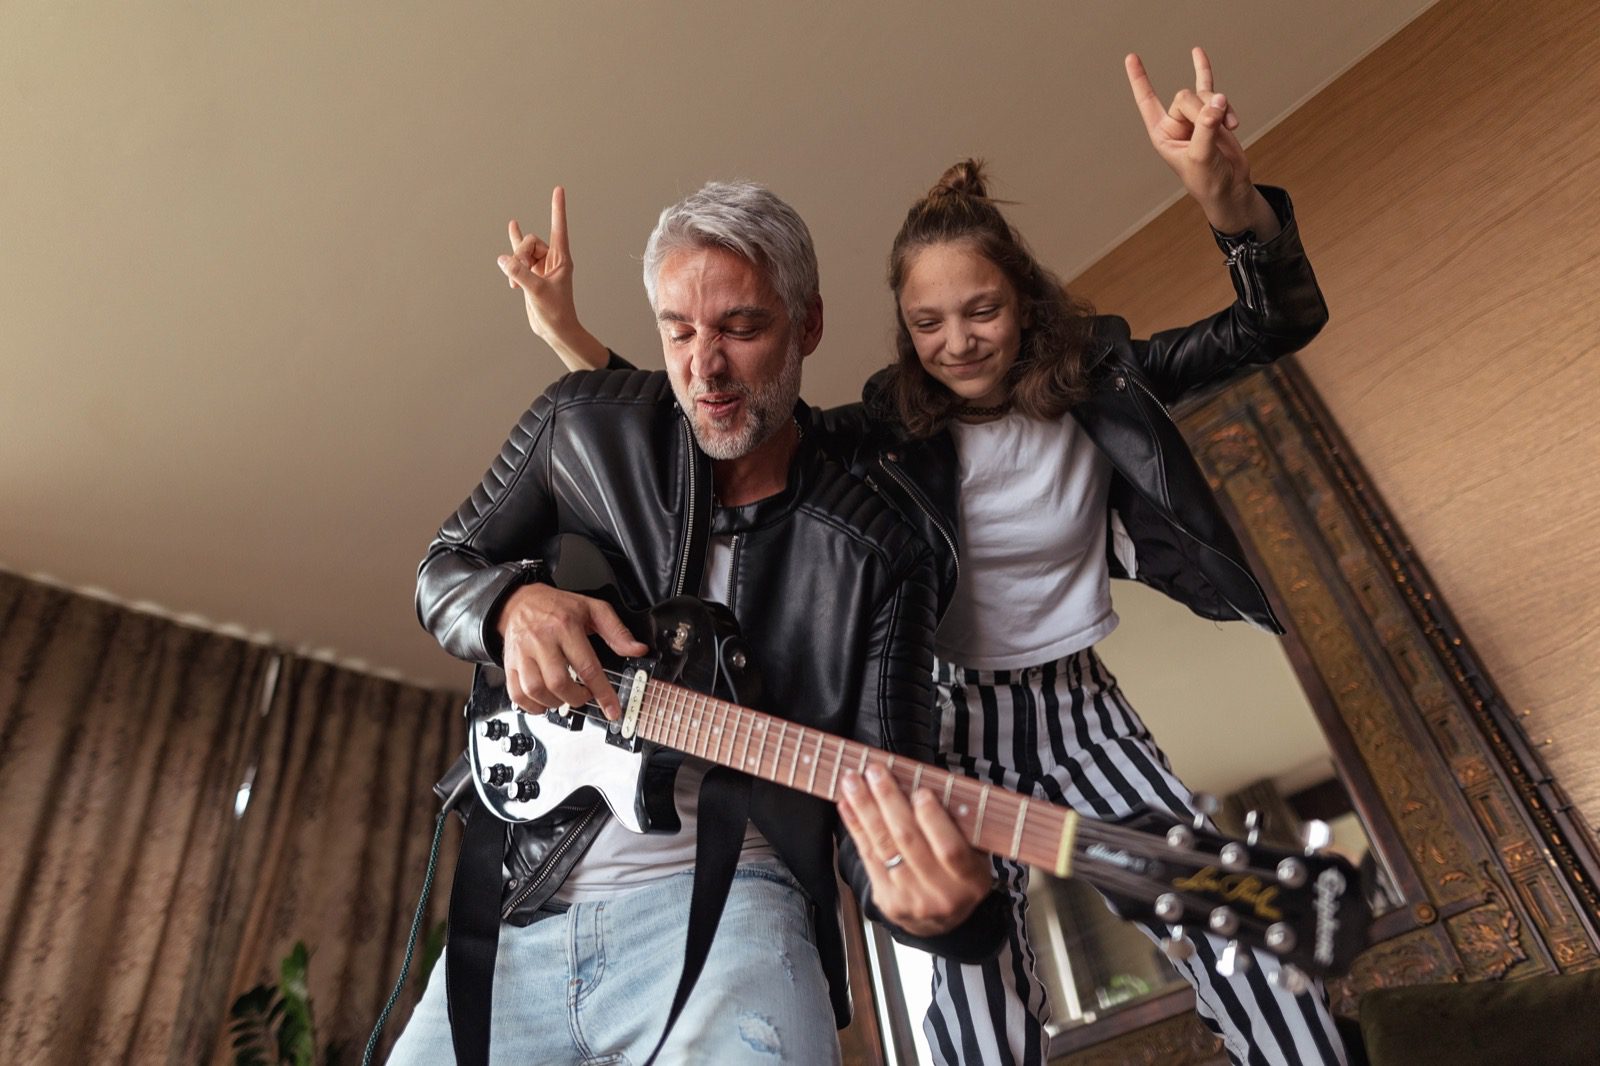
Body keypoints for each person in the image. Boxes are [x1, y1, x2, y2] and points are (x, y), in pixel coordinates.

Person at [499, 48, 1347, 1066]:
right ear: (901, 329)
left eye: (982, 311)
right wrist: (569, 337)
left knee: (1234, 931)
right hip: (936, 723)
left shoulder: (1105, 377)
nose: (957, 342)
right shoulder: (880, 431)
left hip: (1079, 708)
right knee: (973, 1006)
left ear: (1025, 301)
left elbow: (1275, 319)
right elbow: (713, 414)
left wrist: (1227, 197)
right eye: (927, 321)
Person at [395, 181, 1007, 1064]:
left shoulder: (880, 552)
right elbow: (443, 570)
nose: (703, 366)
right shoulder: (578, 424)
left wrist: (940, 909)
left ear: (810, 325)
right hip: (521, 907)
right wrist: (509, 608)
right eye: (678, 331)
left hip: (735, 909)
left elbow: (887, 796)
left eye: (741, 330)